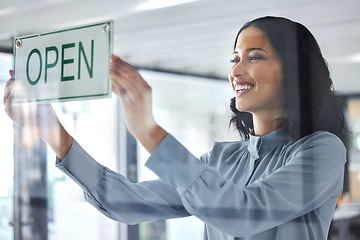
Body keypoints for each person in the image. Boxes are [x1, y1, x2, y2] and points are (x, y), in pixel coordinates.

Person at [4, 16, 347, 240]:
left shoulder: (322, 150)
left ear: (294, 69)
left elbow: (245, 212)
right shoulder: (220, 159)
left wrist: (149, 132)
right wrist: (52, 132)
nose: (237, 70)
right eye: (234, 58)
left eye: (254, 57)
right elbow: (127, 201)